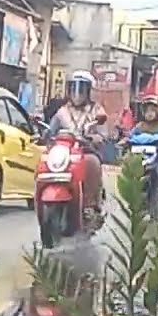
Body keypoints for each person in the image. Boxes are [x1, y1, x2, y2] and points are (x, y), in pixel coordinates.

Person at [46, 70, 107, 215]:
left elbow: (103, 134)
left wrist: (95, 137)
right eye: (74, 88)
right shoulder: (62, 111)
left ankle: (90, 205)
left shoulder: (97, 110)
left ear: (89, 91)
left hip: (86, 150)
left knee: (91, 162)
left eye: (81, 89)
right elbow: (51, 129)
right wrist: (45, 134)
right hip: (64, 151)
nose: (77, 93)